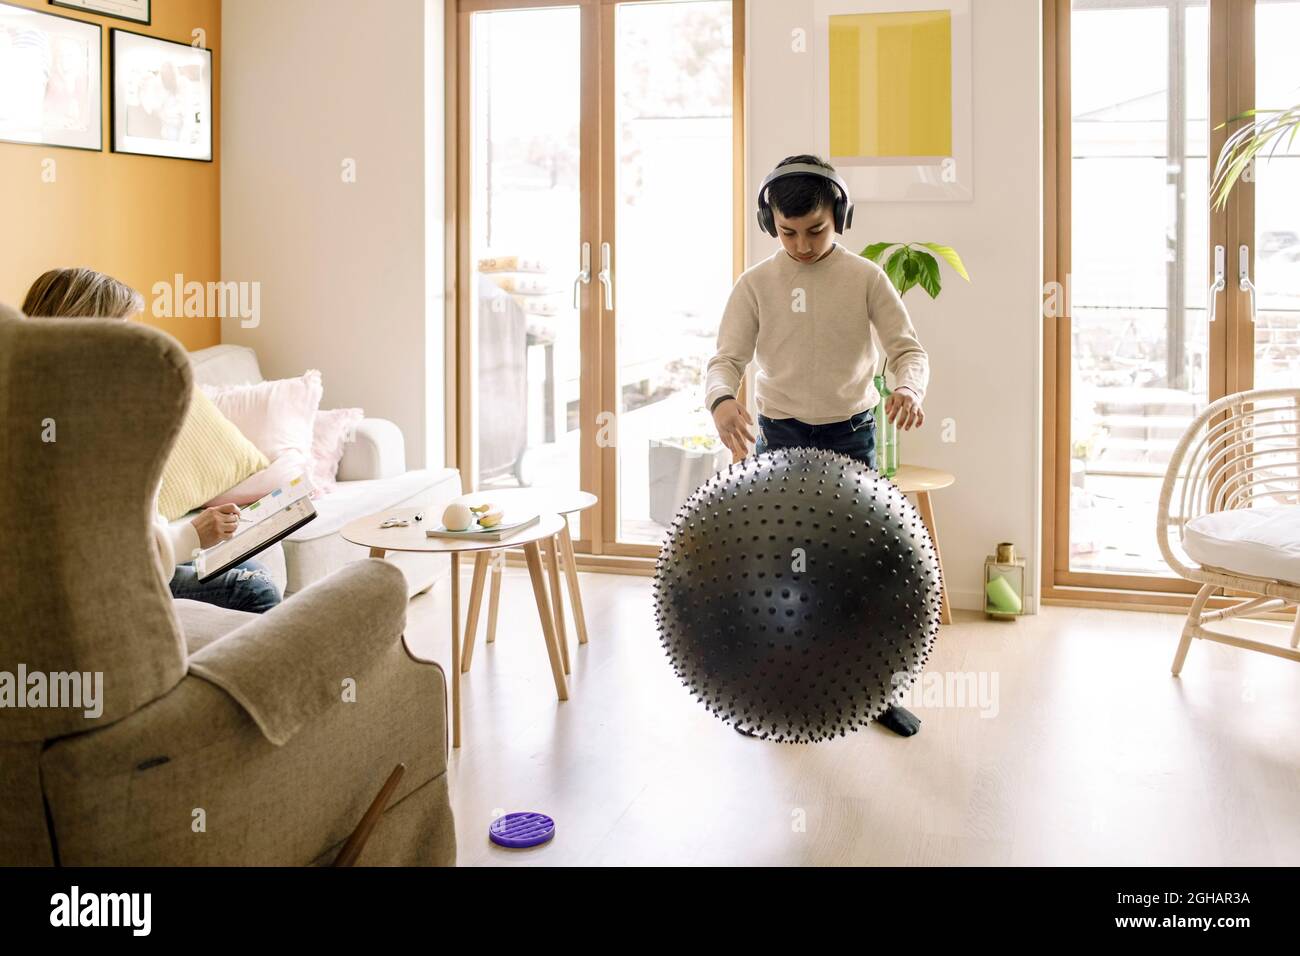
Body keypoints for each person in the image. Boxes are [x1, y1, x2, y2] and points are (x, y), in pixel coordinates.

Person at [705, 155, 930, 738]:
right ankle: (771, 694)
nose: (802, 246)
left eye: (816, 231)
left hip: (851, 436)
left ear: (840, 216)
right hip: (779, 438)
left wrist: (907, 387)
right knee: (779, 575)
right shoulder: (754, 285)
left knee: (861, 573)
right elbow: (725, 361)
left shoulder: (866, 279)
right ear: (769, 223)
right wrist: (723, 401)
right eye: (787, 232)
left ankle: (877, 691)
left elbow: (909, 351)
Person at [20, 267, 281, 614]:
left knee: (254, 571)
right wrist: (193, 536)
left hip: (137, 560)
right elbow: (115, 562)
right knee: (258, 589)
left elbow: (133, 524)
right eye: (124, 333)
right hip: (108, 583)